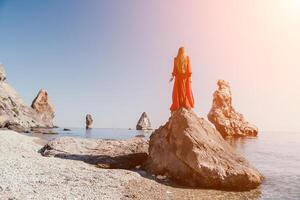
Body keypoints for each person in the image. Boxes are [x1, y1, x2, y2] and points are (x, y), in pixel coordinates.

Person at [169, 47, 195, 112]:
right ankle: (184, 104)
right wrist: (190, 77)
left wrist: (172, 77)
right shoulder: (187, 58)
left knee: (178, 91)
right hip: (185, 77)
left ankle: (180, 104)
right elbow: (189, 68)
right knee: (185, 91)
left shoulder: (176, 59)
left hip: (178, 77)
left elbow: (174, 69)